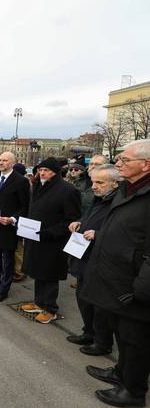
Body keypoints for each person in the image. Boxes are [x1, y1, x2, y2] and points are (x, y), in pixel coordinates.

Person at [81, 139, 150, 408]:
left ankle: (133, 392)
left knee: (136, 341)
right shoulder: (128, 188)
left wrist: (141, 289)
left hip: (135, 285)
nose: (118, 163)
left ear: (145, 164)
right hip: (115, 277)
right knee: (123, 336)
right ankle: (121, 373)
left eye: (125, 160)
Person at [21, 157, 82, 323]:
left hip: (53, 241)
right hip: (36, 237)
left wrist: (50, 233)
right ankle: (39, 303)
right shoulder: (38, 186)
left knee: (49, 275)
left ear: (55, 172)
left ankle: (50, 309)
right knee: (38, 272)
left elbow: (72, 220)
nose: (42, 173)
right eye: (40, 170)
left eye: (46, 170)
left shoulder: (68, 190)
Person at [66, 164, 119, 356]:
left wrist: (98, 234)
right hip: (84, 256)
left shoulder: (118, 201)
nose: (94, 186)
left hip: (101, 260)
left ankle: (102, 342)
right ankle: (88, 332)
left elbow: (120, 231)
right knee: (83, 298)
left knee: (99, 305)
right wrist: (79, 221)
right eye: (94, 181)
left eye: (100, 182)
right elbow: (90, 216)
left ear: (115, 183)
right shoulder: (100, 199)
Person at [0, 153, 30, 301]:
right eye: (0, 160)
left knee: (7, 260)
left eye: (4, 160)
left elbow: (25, 206)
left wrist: (13, 219)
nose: (1, 162)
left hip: (8, 227)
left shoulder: (21, 181)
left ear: (13, 163)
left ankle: (4, 289)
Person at [12, 162, 29, 283]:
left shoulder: (23, 183)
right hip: (18, 219)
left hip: (20, 220)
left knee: (18, 248)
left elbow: (25, 204)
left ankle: (20, 271)